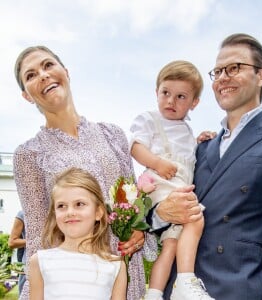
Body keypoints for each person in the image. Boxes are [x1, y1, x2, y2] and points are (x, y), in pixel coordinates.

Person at [150, 33, 262, 300]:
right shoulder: (199, 149)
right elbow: (164, 211)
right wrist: (161, 212)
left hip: (237, 289)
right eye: (217, 71)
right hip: (178, 290)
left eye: (234, 68)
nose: (222, 78)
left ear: (261, 76)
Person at [13, 45, 157, 300]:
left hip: (122, 267)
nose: (43, 75)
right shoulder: (29, 154)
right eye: (31, 75)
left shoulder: (112, 134)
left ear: (65, 72)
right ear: (27, 95)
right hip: (73, 281)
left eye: (48, 65)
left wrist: (139, 230)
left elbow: (133, 198)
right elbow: (37, 235)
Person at [130, 60, 214, 300]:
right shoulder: (150, 119)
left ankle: (154, 294)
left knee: (170, 246)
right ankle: (185, 281)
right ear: (156, 92)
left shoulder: (186, 129)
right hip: (161, 184)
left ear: (194, 103)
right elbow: (135, 147)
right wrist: (157, 163)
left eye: (180, 97)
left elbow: (187, 156)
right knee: (195, 217)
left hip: (176, 186)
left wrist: (198, 141)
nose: (170, 101)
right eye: (165, 93)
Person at [29, 167, 127, 300]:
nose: (70, 212)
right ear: (54, 213)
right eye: (61, 206)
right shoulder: (40, 261)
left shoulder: (115, 265)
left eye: (79, 204)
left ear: (98, 212)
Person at [8, 210, 26, 296]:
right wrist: (35, 241)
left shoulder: (56, 211)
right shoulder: (22, 213)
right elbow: (12, 242)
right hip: (28, 267)